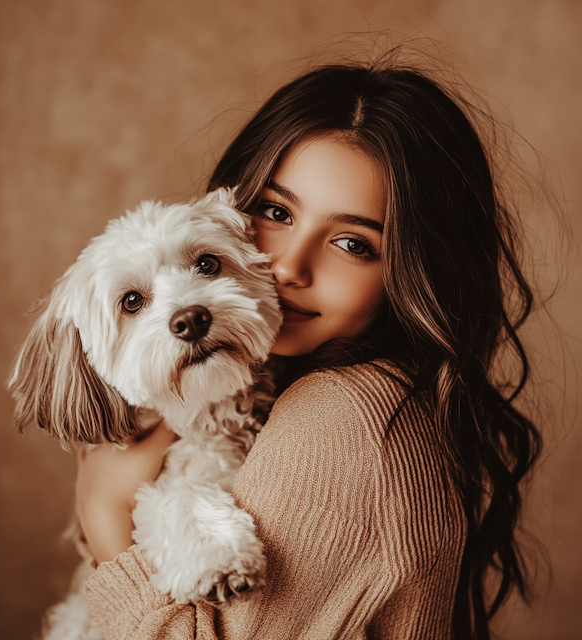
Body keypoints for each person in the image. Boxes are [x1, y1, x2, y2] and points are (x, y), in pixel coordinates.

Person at [75, 61, 542, 640]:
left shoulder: (341, 418)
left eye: (353, 243)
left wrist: (104, 513)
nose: (290, 266)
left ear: (415, 274)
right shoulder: (282, 397)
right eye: (276, 212)